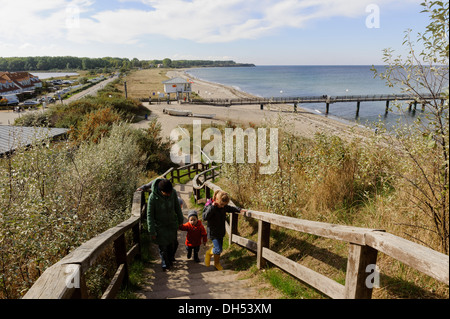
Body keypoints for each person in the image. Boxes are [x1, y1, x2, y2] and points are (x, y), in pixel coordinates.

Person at [202, 190, 247, 270]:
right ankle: (209, 253)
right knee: (218, 249)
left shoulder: (223, 206)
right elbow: (205, 217)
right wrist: (212, 207)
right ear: (216, 200)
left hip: (221, 231)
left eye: (224, 205)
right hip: (213, 232)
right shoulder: (209, 206)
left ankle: (216, 263)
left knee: (219, 249)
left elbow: (230, 208)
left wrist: (239, 210)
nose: (223, 206)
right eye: (221, 204)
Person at [147, 178, 184, 271]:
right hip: (160, 226)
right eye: (167, 193)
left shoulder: (173, 193)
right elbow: (150, 215)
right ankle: (165, 262)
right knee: (163, 246)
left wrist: (180, 220)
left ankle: (170, 258)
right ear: (161, 191)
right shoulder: (153, 197)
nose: (169, 194)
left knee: (173, 243)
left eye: (170, 192)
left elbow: (177, 207)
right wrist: (152, 231)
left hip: (171, 223)